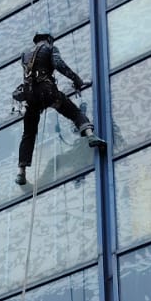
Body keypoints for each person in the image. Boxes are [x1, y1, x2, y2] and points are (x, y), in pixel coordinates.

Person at [14, 31, 104, 186]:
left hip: (31, 98)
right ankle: (90, 136)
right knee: (74, 112)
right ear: (48, 40)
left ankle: (21, 172)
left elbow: (28, 77)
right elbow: (59, 65)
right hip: (48, 93)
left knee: (28, 134)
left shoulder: (25, 55)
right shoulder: (50, 48)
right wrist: (77, 80)